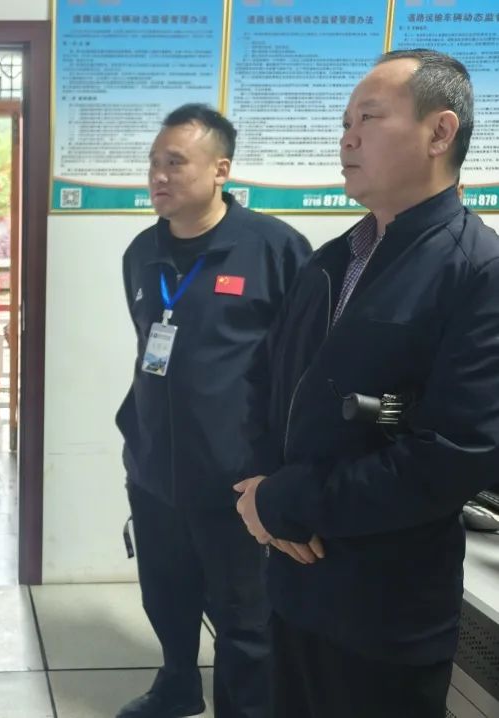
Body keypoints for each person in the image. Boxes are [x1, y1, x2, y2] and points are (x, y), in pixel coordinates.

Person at [234, 49, 499, 718]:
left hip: (383, 613)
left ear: (439, 132)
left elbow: (452, 456)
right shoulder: (331, 261)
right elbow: (268, 384)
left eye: (369, 119)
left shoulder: (477, 272)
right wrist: (260, 491)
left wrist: (285, 500)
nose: (346, 138)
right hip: (294, 584)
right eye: (344, 123)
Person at [116, 104, 311, 718]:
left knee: (243, 620)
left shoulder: (275, 249)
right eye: (153, 163)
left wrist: (280, 471)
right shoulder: (141, 252)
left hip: (238, 481)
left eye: (175, 162)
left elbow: (301, 370)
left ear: (221, 169)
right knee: (165, 597)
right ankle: (177, 685)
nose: (159, 175)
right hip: (156, 473)